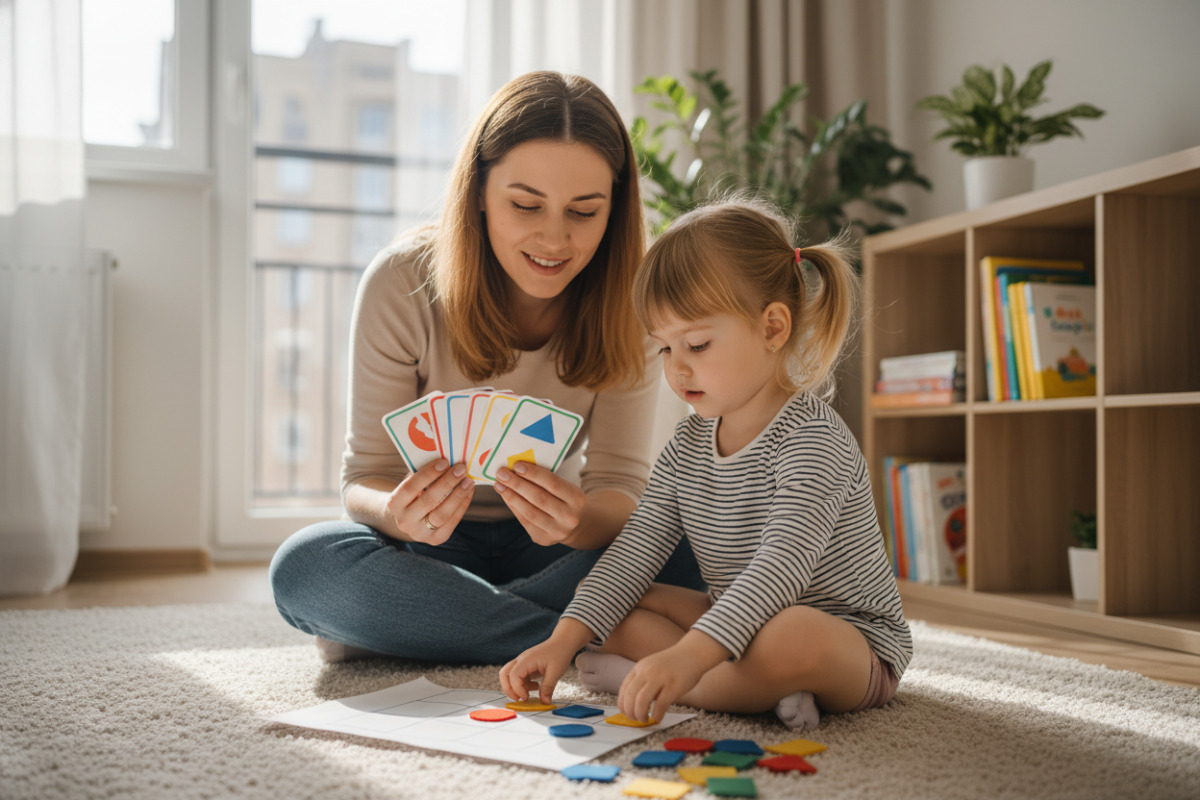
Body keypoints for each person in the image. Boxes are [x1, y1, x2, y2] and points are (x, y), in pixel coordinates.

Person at [269, 71, 701, 665]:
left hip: (554, 549)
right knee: (306, 566)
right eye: (525, 205)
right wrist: (397, 512)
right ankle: (573, 635)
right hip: (428, 549)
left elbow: (621, 489)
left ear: (615, 210)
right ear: (477, 191)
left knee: (694, 538)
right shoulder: (401, 283)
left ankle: (426, 626)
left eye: (584, 211)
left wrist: (575, 524)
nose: (554, 238)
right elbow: (363, 478)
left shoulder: (632, 301)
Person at [499, 199, 913, 731]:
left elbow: (777, 572)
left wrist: (687, 657)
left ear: (773, 328)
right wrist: (562, 641)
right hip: (734, 621)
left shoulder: (814, 441)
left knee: (793, 633)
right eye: (665, 350)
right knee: (619, 602)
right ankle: (747, 687)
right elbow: (634, 551)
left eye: (695, 343)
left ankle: (663, 679)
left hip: (849, 642)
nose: (678, 368)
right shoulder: (687, 444)